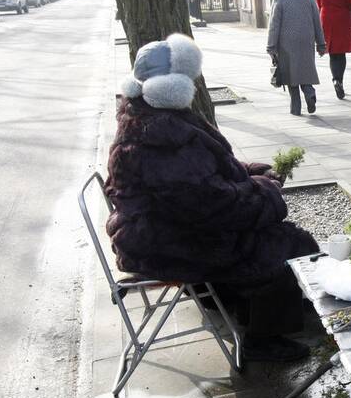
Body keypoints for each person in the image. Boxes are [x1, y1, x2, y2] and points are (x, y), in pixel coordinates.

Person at [106, 34, 319, 362]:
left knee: (271, 237)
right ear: (171, 86)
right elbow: (210, 205)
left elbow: (208, 173)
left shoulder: (149, 118)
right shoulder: (160, 136)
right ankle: (261, 339)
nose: (194, 84)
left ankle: (259, 305)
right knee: (282, 245)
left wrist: (250, 171)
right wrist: (264, 191)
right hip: (167, 242)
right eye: (188, 79)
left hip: (162, 230)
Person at [267, 0, 326, 115]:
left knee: (290, 74)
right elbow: (316, 21)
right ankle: (309, 92)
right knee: (305, 70)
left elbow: (274, 24)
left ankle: (296, 109)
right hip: (306, 40)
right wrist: (321, 43)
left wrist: (271, 45)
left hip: (286, 42)